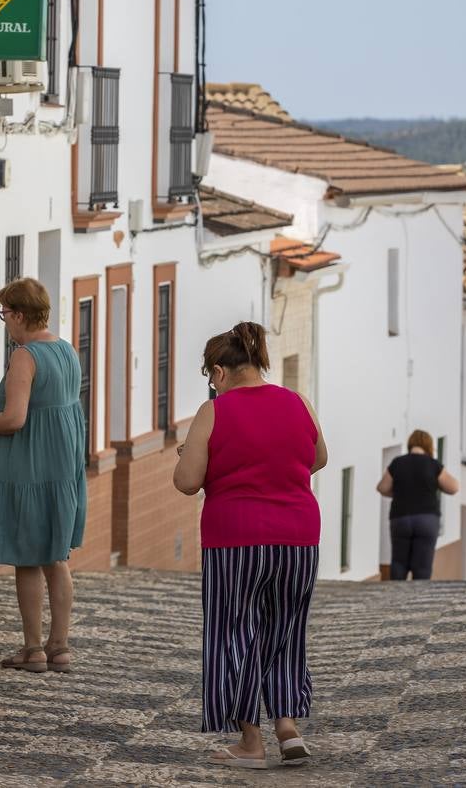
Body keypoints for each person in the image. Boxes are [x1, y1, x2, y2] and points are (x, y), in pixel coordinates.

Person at [173, 322, 328, 770]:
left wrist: (190, 452)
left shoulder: (214, 410)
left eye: (210, 377)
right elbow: (319, 457)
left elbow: (187, 482)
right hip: (299, 536)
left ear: (219, 372)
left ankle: (250, 743)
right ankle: (288, 728)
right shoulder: (298, 401)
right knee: (286, 631)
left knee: (233, 634)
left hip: (235, 538)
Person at [0, 277, 87, 675]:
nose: (5, 323)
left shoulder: (25, 356)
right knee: (56, 556)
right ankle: (61, 647)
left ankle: (33, 648)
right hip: (61, 466)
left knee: (27, 560)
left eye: (5, 314)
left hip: (28, 468)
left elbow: (15, 419)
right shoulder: (66, 350)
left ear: (18, 314)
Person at [377, 430, 459, 581]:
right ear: (429, 446)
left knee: (399, 562)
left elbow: (382, 487)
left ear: (410, 444)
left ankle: (396, 598)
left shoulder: (398, 462)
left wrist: (399, 493)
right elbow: (453, 487)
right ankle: (418, 601)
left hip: (400, 518)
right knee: (422, 566)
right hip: (427, 519)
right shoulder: (433, 464)